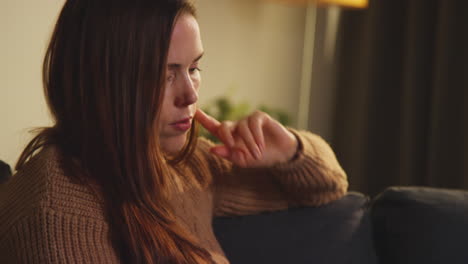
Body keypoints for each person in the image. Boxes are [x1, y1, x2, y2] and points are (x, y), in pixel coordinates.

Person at [0, 0, 348, 263]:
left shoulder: (184, 167)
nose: (191, 95)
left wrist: (290, 151)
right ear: (102, 83)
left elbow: (328, 187)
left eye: (194, 68)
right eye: (164, 75)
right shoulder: (57, 213)